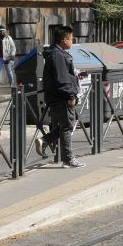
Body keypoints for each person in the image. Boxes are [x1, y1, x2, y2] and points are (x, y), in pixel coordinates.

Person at [37, 25, 85, 168]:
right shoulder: (58, 56)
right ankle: (68, 159)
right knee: (67, 128)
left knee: (66, 125)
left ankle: (45, 140)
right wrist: (71, 95)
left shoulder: (56, 53)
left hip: (56, 97)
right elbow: (62, 79)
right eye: (71, 39)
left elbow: (64, 76)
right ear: (64, 40)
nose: (72, 41)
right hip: (62, 97)